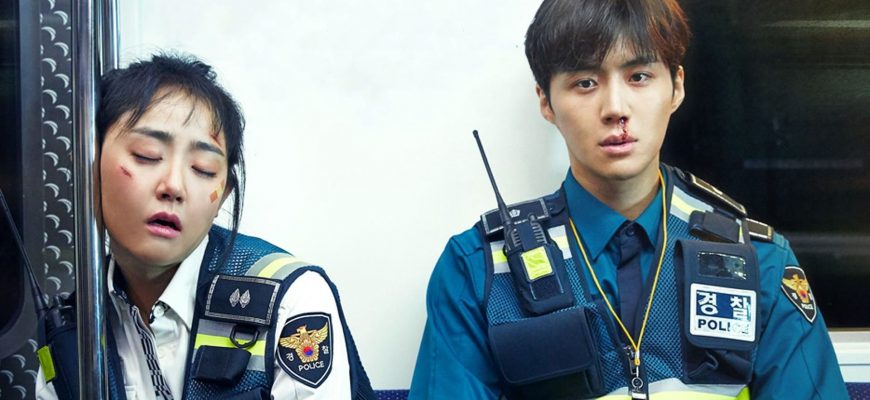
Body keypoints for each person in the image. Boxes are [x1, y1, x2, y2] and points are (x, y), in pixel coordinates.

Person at [409, 0, 848, 399]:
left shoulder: (759, 262)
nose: (615, 107)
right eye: (585, 82)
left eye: (638, 77)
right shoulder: (480, 270)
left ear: (676, 87)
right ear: (546, 101)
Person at [35, 54, 374, 399]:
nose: (173, 186)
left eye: (203, 169)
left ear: (224, 194)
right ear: (89, 168)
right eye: (147, 155)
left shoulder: (289, 298)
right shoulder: (72, 330)